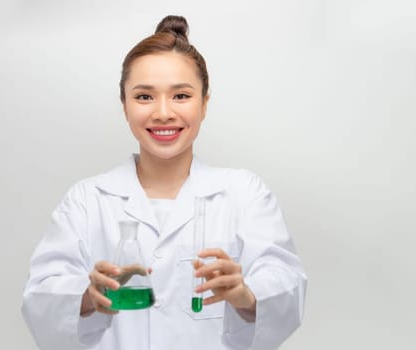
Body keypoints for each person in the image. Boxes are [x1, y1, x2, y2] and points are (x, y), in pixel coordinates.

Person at [21, 15, 307, 349]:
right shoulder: (87, 200)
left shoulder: (244, 195)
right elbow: (40, 297)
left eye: (181, 96)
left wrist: (247, 295)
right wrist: (86, 297)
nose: (163, 113)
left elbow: (287, 284)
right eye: (144, 97)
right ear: (124, 106)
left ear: (205, 104)